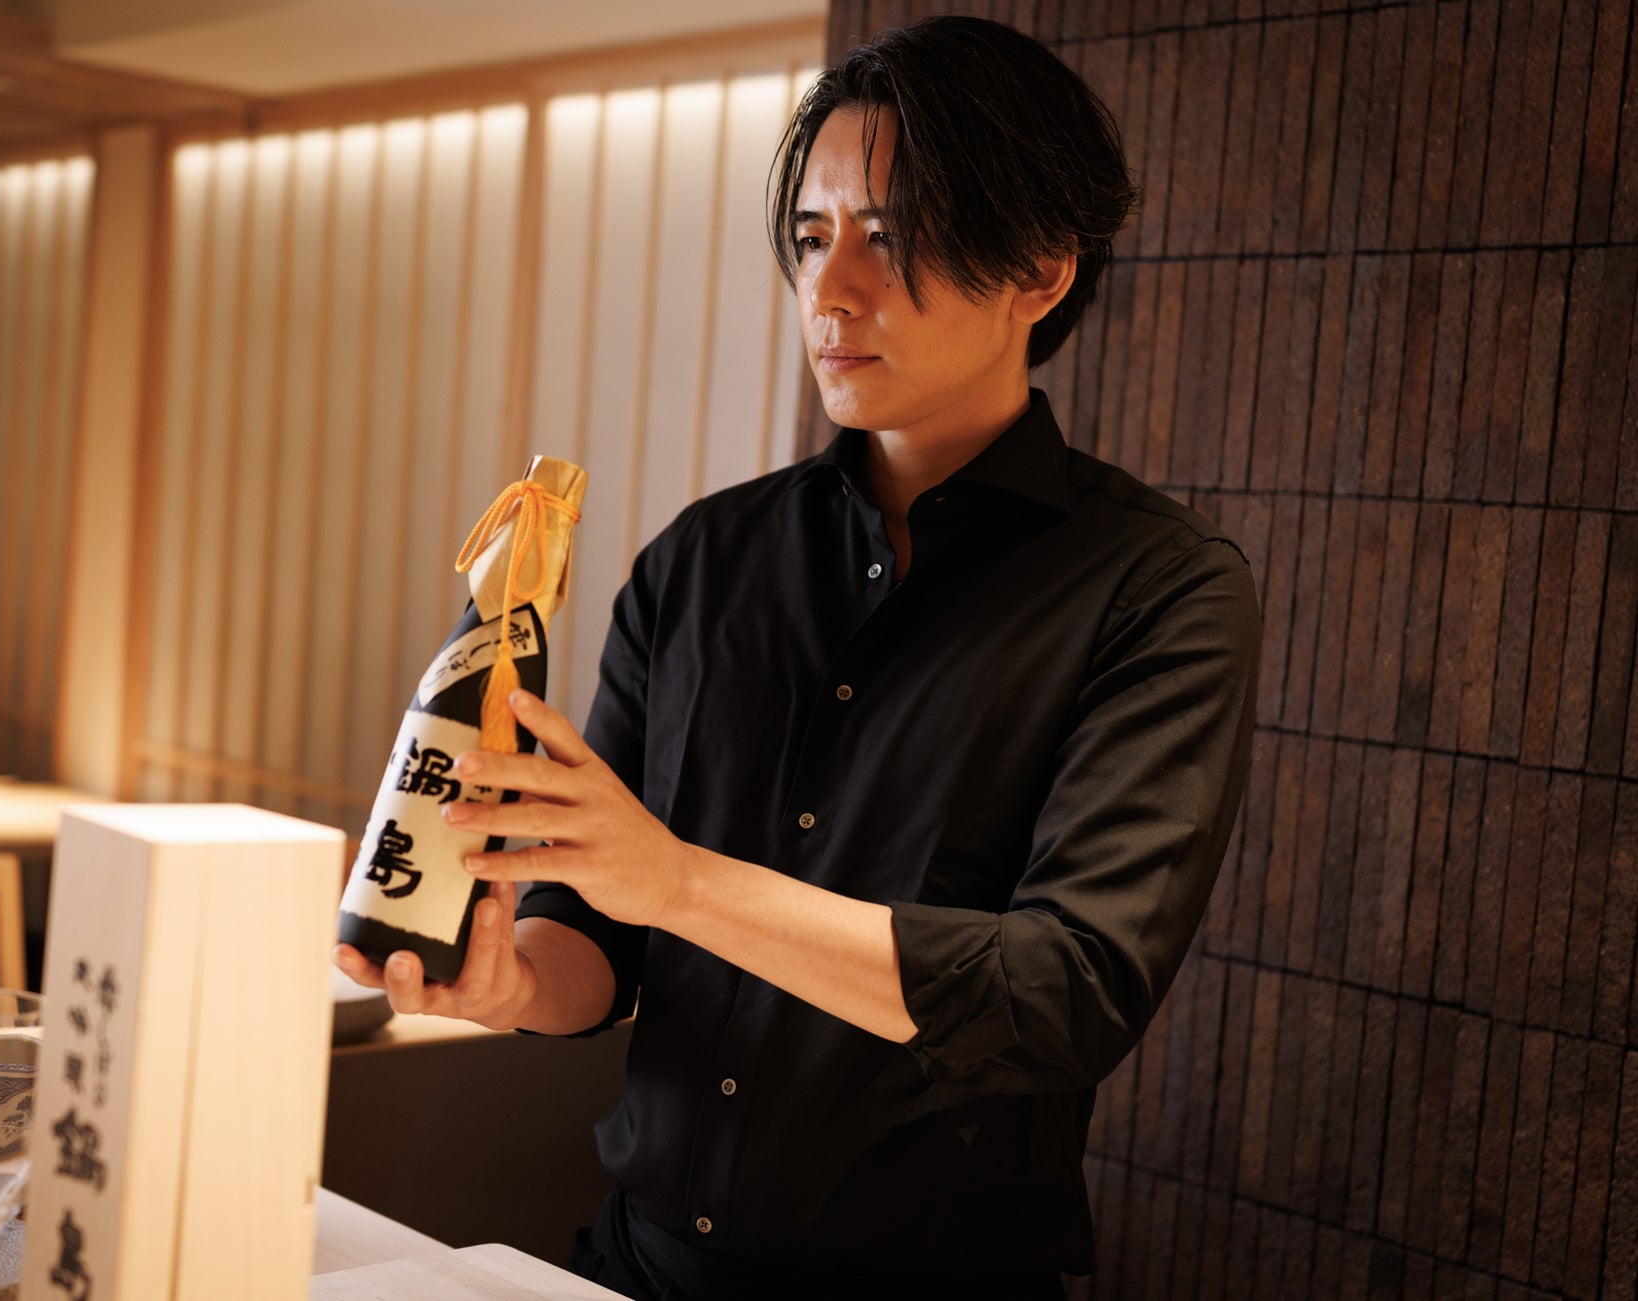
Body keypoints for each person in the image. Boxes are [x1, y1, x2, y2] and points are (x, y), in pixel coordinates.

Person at [335, 15, 1259, 1299]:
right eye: (814, 236)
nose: (831, 289)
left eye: (893, 234)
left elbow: (1064, 992)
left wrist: (680, 880)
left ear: (1041, 269)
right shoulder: (702, 560)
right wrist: (512, 983)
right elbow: (598, 935)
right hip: (639, 1264)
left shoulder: (1157, 589)